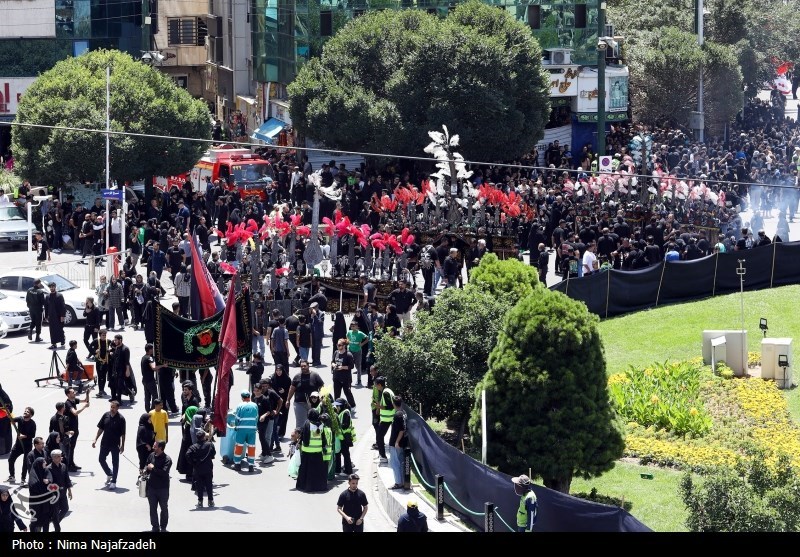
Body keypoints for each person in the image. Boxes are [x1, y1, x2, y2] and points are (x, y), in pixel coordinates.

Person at [92, 399, 126, 491]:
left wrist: (123, 445)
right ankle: (109, 473)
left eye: (114, 407)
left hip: (115, 444)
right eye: (111, 407)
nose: (112, 409)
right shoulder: (106, 415)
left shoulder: (121, 419)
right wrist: (95, 439)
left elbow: (123, 433)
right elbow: (101, 428)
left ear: (118, 408)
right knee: (101, 459)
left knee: (115, 463)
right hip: (105, 443)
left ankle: (113, 481)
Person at [295, 409, 328, 493]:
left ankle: (306, 486)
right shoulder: (321, 425)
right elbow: (323, 438)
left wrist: (300, 443)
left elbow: (304, 436)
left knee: (307, 471)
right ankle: (318, 487)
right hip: (318, 452)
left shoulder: (307, 423)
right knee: (317, 471)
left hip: (307, 452)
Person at [286, 360, 325, 430]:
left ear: (308, 366)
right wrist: (288, 400)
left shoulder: (315, 375)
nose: (303, 367)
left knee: (314, 422)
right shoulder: (297, 377)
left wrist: (323, 398)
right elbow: (292, 389)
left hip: (314, 404)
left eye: (304, 366)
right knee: (300, 424)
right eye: (301, 366)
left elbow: (322, 387)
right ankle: (299, 439)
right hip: (299, 403)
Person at [144, 440, 172, 532]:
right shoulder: (151, 455)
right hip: (151, 488)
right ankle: (155, 527)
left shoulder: (167, 459)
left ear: (160, 448)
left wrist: (153, 468)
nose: (153, 447)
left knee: (164, 508)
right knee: (152, 509)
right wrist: (145, 470)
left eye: (155, 446)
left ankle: (163, 527)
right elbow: (147, 465)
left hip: (163, 489)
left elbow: (164, 473)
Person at [186, 430, 216, 508]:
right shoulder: (209, 445)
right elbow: (213, 453)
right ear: (203, 437)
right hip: (208, 468)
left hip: (198, 468)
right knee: (209, 484)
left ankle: (200, 501)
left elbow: (187, 455)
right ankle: (211, 501)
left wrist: (193, 463)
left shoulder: (193, 447)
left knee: (199, 485)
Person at [7, 406, 35, 484]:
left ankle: (23, 479)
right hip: (18, 445)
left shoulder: (32, 423)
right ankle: (12, 476)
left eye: (28, 412)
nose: (25, 412)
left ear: (31, 415)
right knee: (11, 459)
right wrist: (9, 416)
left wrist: (24, 436)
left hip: (27, 446)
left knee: (25, 463)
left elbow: (33, 435)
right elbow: (11, 420)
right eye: (25, 411)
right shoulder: (20, 419)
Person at [63, 387, 89, 472]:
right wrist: (84, 407)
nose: (74, 393)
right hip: (70, 429)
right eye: (72, 392)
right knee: (70, 447)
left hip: (75, 428)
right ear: (68, 394)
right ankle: (69, 465)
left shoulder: (74, 400)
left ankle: (72, 463)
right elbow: (75, 413)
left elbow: (85, 400)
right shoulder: (68, 403)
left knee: (72, 447)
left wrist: (87, 394)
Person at [232, 390, 259, 471]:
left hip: (241, 429)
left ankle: (237, 464)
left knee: (239, 446)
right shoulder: (254, 405)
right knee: (251, 446)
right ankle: (251, 465)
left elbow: (237, 418)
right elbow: (256, 417)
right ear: (249, 397)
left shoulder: (240, 405)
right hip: (252, 429)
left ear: (242, 398)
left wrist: (236, 426)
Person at [47, 449, 72, 532]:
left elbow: (67, 479)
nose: (60, 458)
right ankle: (57, 527)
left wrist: (69, 491)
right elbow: (48, 484)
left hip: (63, 493)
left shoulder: (63, 466)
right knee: (56, 511)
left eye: (60, 456)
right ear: (53, 458)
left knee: (65, 509)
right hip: (54, 495)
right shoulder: (49, 469)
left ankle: (55, 521)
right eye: (57, 457)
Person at [27, 457, 53, 532]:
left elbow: (50, 478)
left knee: (46, 519)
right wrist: (44, 486)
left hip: (45, 502)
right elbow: (34, 486)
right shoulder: (33, 475)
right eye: (43, 462)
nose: (46, 463)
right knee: (35, 520)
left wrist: (48, 481)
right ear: (39, 464)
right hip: (36, 503)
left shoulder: (46, 470)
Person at [373, 376, 394, 465]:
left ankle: (383, 457)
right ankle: (382, 456)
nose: (375, 387)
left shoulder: (385, 393)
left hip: (387, 419)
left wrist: (379, 407)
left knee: (379, 437)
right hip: (387, 419)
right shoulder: (386, 390)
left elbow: (390, 406)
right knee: (380, 436)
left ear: (380, 385)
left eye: (376, 385)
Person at [110, 334, 135, 405]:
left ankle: (119, 400)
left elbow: (127, 361)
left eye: (116, 340)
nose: (114, 341)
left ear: (120, 340)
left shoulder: (125, 349)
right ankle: (130, 393)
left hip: (122, 369)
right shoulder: (116, 348)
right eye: (114, 340)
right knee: (117, 385)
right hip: (115, 370)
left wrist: (127, 370)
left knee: (120, 385)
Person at [141, 343, 165, 412]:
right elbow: (154, 367)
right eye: (152, 349)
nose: (153, 350)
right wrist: (163, 365)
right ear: (150, 350)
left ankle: (148, 410)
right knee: (155, 396)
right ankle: (152, 410)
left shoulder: (144, 357)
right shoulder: (149, 358)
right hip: (150, 380)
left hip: (145, 380)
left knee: (147, 396)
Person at [334, 398, 355, 476]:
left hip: (345, 437)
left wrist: (337, 426)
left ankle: (348, 471)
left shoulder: (346, 412)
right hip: (341, 437)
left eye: (338, 406)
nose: (337, 407)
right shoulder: (342, 412)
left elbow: (345, 425)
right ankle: (338, 470)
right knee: (340, 453)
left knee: (345, 454)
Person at [45, 282, 66, 349]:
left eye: (53, 287)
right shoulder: (48, 296)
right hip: (51, 316)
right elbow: (46, 307)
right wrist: (46, 316)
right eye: (50, 287)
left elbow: (63, 306)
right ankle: (54, 343)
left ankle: (62, 340)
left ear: (55, 287)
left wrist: (62, 316)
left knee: (60, 329)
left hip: (59, 316)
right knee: (52, 330)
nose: (52, 288)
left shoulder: (59, 295)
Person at [346, 322, 368, 386]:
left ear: (357, 326)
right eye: (351, 326)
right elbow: (347, 338)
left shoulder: (360, 333)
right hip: (350, 350)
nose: (352, 327)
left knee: (358, 366)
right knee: (349, 365)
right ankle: (349, 380)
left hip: (357, 351)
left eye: (354, 326)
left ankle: (359, 380)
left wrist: (362, 344)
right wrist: (348, 343)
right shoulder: (349, 332)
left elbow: (367, 338)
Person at [25, 278, 46, 342]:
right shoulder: (40, 291)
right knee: (38, 323)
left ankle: (30, 331)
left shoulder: (29, 290)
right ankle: (37, 337)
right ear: (39, 283)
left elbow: (27, 300)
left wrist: (30, 306)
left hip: (31, 309)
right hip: (38, 309)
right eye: (40, 283)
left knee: (33, 321)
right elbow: (43, 302)